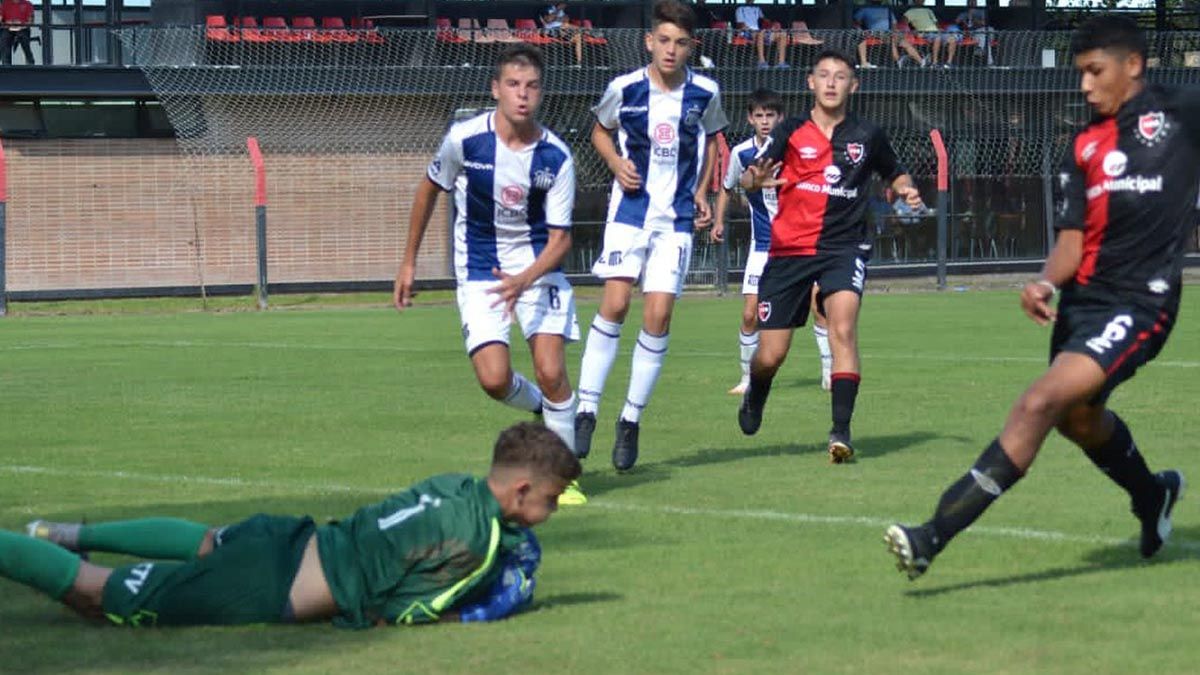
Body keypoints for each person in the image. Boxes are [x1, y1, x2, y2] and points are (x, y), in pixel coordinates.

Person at [885, 15, 1200, 580]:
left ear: (1133, 66)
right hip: (1082, 306)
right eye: (1080, 73)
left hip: (1142, 303)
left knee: (1038, 404)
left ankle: (931, 536)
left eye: (1094, 71)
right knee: (1078, 419)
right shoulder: (1081, 145)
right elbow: (1072, 244)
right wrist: (1045, 282)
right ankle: (1153, 495)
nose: (1083, 85)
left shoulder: (1180, 113)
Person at [4, 422, 580, 627]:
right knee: (97, 597)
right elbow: (411, 611)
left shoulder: (457, 486)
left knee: (206, 541)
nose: (550, 513)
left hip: (294, 536)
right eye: (550, 500)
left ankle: (65, 534)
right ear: (521, 490)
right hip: (274, 584)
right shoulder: (478, 544)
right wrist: (472, 610)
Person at [392, 45, 586, 505]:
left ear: (542, 92)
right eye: (514, 85)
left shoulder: (556, 157)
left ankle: (564, 474)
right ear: (496, 89)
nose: (523, 95)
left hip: (538, 271)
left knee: (551, 368)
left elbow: (561, 240)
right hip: (481, 269)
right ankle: (542, 406)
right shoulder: (464, 139)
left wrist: (525, 279)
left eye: (532, 86)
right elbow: (429, 189)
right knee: (494, 380)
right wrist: (408, 260)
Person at [737, 50, 924, 463]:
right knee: (771, 356)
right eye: (824, 75)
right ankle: (757, 390)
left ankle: (841, 432)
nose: (832, 82)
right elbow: (751, 177)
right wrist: (754, 180)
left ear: (853, 85)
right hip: (789, 251)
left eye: (841, 76)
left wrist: (907, 188)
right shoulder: (789, 130)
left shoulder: (867, 134)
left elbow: (895, 170)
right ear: (811, 82)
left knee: (842, 329)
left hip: (844, 247)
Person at [575, 0, 727, 471]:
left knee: (658, 316)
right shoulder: (624, 88)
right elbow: (600, 131)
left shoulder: (705, 92)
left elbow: (711, 144)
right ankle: (585, 409)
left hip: (676, 220)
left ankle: (630, 420)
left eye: (680, 43)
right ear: (649, 42)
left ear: (690, 47)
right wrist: (616, 163)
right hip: (630, 213)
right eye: (663, 40)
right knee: (616, 304)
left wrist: (702, 191)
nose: (670, 49)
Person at [712, 89, 834, 395]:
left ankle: (829, 374)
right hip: (764, 246)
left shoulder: (796, 149)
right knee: (750, 314)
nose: (765, 122)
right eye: (759, 116)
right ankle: (746, 378)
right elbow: (727, 188)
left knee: (819, 306)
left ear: (780, 118)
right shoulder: (741, 154)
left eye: (771, 115)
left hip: (803, 243)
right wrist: (717, 221)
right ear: (750, 119)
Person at [852, 0, 924, 69]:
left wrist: (895, 32)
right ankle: (897, 61)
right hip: (874, 32)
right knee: (891, 39)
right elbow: (856, 22)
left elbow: (894, 24)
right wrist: (862, 30)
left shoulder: (886, 9)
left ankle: (922, 63)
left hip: (888, 33)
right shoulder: (865, 9)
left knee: (904, 43)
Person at [733, 1, 789, 70]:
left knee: (782, 34)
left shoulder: (757, 8)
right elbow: (740, 24)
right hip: (746, 32)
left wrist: (772, 25)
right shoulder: (740, 9)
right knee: (761, 33)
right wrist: (750, 29)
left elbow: (764, 20)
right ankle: (761, 62)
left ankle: (781, 63)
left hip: (759, 31)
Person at [903, 0, 956, 67]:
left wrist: (940, 29)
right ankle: (934, 63)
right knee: (937, 38)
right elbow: (904, 24)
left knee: (952, 38)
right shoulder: (909, 12)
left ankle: (949, 63)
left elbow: (936, 23)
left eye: (922, 0)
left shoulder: (928, 10)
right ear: (914, 1)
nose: (921, 1)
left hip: (936, 31)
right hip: (924, 33)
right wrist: (913, 32)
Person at [541, 2, 583, 67]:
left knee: (578, 36)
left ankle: (578, 63)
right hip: (551, 30)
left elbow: (566, 19)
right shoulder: (547, 8)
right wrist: (558, 10)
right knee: (564, 27)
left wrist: (555, 18)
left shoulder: (561, 10)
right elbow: (548, 20)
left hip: (563, 29)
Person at [956, 0, 997, 67]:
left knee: (990, 30)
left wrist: (975, 19)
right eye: (970, 1)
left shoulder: (981, 12)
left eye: (974, 1)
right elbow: (957, 22)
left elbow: (984, 23)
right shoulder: (964, 13)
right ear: (967, 3)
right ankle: (990, 63)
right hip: (973, 32)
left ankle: (980, 48)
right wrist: (965, 19)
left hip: (984, 30)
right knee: (984, 38)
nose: (972, 3)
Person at [0, 0, 35, 66]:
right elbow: (1, 18)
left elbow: (30, 20)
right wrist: (7, 23)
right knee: (5, 38)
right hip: (8, 28)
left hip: (22, 28)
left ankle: (30, 62)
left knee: (24, 39)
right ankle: (6, 64)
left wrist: (22, 25)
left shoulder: (27, 4)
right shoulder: (5, 3)